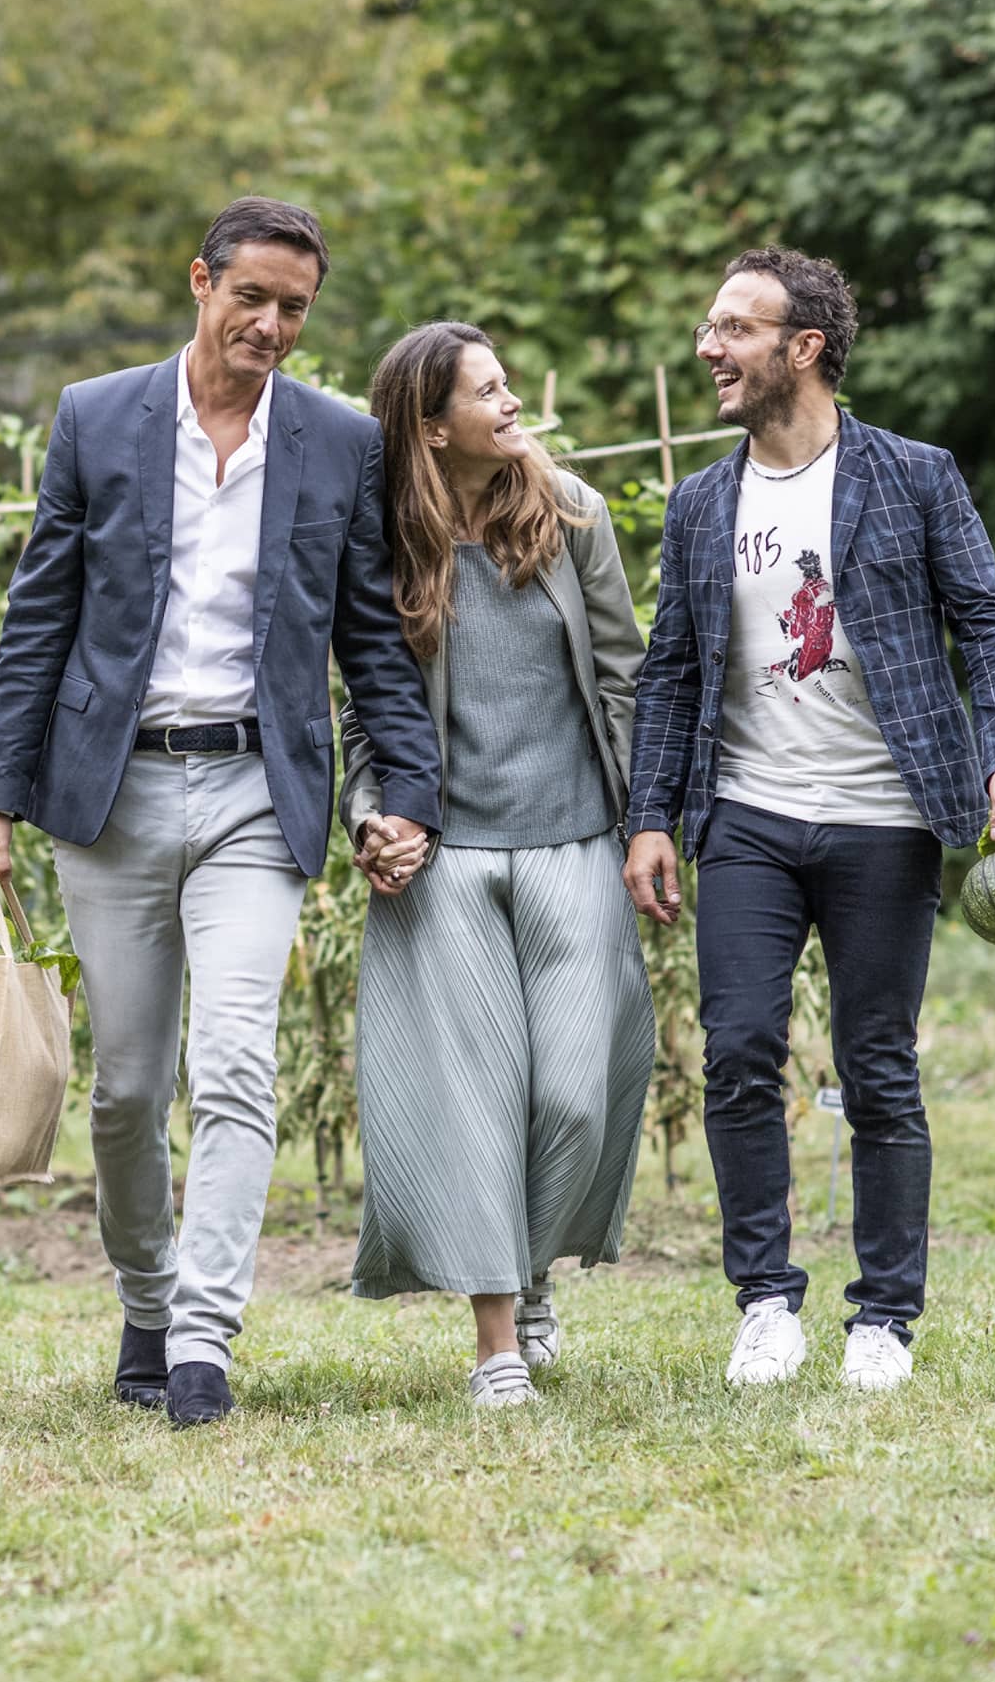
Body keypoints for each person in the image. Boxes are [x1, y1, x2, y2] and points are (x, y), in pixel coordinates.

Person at [0, 196, 441, 1428]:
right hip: (109, 794)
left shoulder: (337, 441)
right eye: (255, 298)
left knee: (234, 1062)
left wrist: (408, 791)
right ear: (201, 282)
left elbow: (372, 638)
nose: (273, 325)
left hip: (253, 791)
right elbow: (39, 620)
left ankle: (202, 1340)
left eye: (296, 308)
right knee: (124, 1088)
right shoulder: (99, 416)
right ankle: (146, 1293)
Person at [622, 246, 995, 1393]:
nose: (709, 346)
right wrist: (650, 816)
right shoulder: (703, 502)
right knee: (741, 1051)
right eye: (711, 327)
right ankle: (765, 1301)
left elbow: (990, 626)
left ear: (803, 347)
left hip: (887, 818)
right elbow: (670, 672)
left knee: (877, 1068)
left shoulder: (912, 475)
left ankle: (883, 1318)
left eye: (734, 328)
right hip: (748, 816)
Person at [339, 321, 656, 1408]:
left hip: (574, 837)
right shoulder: (383, 540)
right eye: (489, 390)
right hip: (447, 861)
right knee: (471, 1100)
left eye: (508, 381)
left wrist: (644, 822)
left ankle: (527, 1272)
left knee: (572, 1096)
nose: (513, 402)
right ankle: (496, 1346)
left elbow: (626, 674)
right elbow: (366, 716)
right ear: (433, 426)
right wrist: (375, 818)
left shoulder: (571, 513)